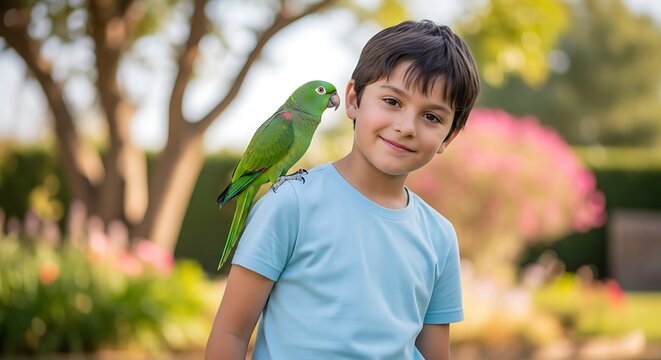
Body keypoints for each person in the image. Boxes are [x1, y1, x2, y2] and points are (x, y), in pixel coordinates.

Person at [206, 19, 480, 360]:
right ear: (353, 100)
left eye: (432, 117)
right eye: (393, 102)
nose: (406, 127)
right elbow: (230, 334)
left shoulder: (439, 236)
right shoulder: (290, 204)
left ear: (449, 138)